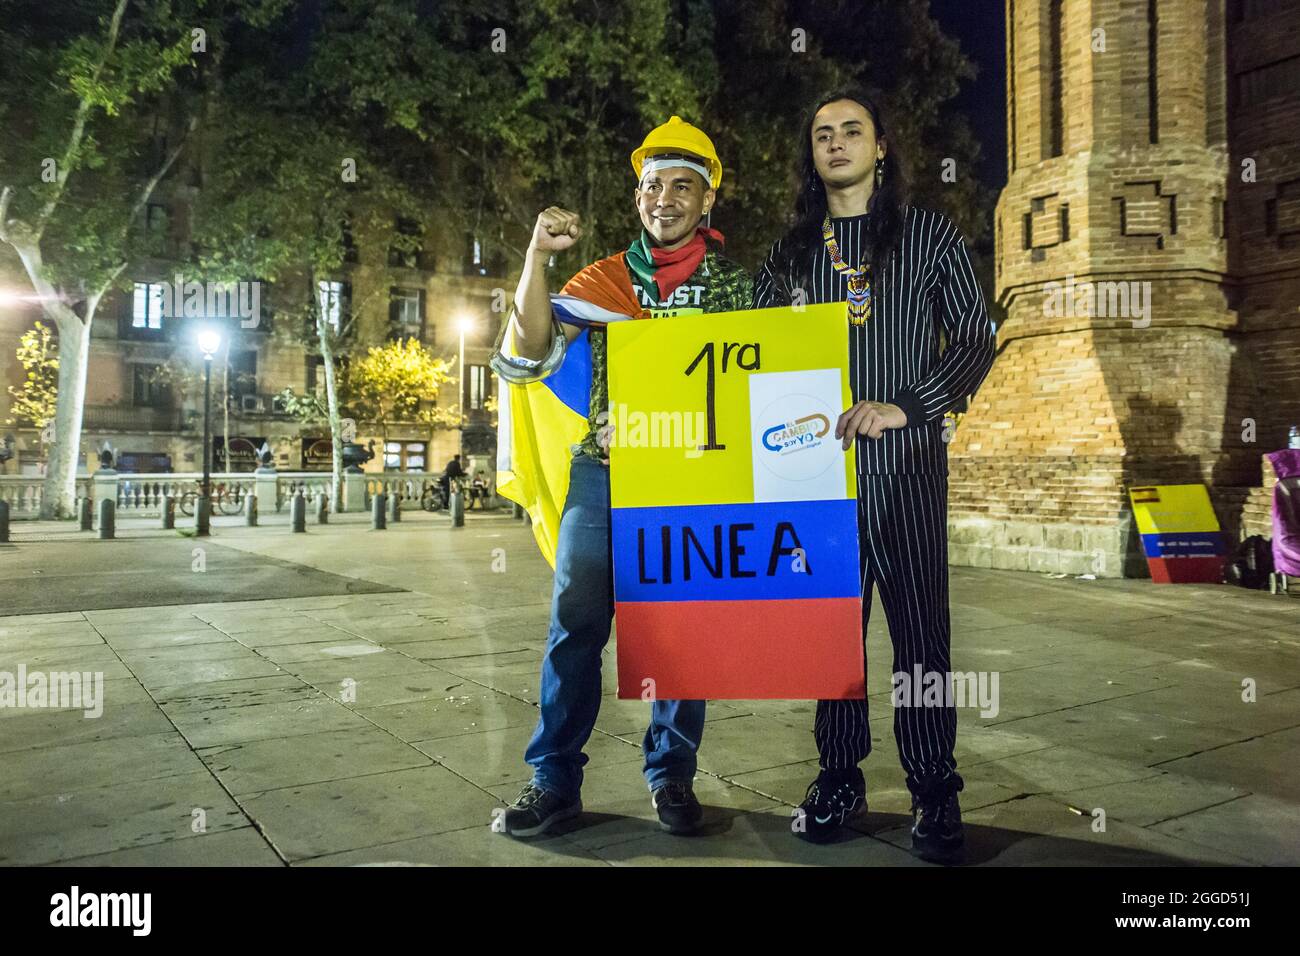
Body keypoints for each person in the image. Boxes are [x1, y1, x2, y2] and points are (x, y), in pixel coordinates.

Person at [491, 116, 753, 837]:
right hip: (603, 476)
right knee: (573, 628)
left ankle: (672, 779)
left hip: (693, 482)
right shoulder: (602, 279)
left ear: (706, 202)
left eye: (680, 186)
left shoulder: (738, 289)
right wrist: (537, 255)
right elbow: (528, 352)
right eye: (649, 186)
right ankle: (553, 780)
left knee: (681, 636)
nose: (661, 199)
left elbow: (766, 384)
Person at [753, 89, 995, 863]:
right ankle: (837, 776)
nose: (835, 142)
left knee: (922, 636)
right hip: (817, 482)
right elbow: (748, 356)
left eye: (851, 130)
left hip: (910, 471)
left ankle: (933, 789)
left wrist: (909, 406)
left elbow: (977, 338)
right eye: (821, 133)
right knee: (833, 637)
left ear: (880, 147)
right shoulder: (789, 254)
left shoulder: (926, 236)